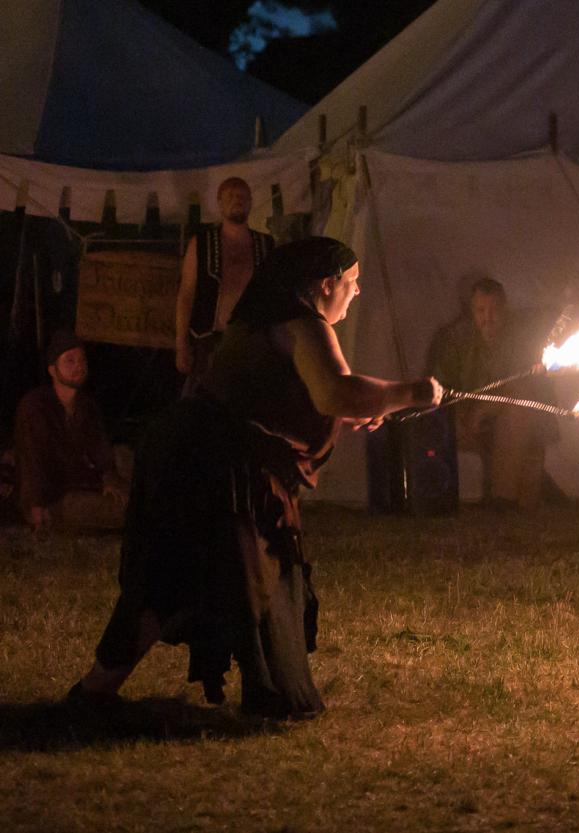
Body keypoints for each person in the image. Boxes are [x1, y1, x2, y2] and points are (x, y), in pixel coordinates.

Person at [69, 237, 443, 718]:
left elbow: (297, 394)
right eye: (351, 282)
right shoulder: (301, 323)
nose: (357, 291)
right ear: (325, 284)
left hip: (197, 458)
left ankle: (95, 691)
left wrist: (366, 404)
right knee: (224, 580)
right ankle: (257, 694)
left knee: (175, 578)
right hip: (220, 470)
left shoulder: (268, 320)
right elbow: (336, 392)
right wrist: (412, 391)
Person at [428, 278, 557, 510]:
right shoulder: (456, 339)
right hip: (466, 416)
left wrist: (486, 409)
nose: (488, 318)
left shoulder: (521, 338)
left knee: (518, 411)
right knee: (442, 421)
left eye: (495, 310)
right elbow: (439, 388)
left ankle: (502, 501)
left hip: (510, 419)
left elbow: (528, 386)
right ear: (471, 311)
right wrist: (462, 413)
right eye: (481, 311)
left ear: (505, 309)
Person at [13, 330, 129, 533]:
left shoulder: (87, 406)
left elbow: (101, 452)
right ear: (52, 369)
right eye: (70, 361)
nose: (78, 366)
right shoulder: (35, 407)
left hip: (83, 484)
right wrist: (35, 506)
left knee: (126, 459)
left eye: (82, 360)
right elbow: (32, 459)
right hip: (56, 496)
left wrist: (109, 477)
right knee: (125, 509)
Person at [175, 177, 274, 395]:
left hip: (250, 342)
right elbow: (186, 294)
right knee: (202, 404)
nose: (236, 201)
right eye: (230, 196)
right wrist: (181, 342)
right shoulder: (201, 243)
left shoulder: (266, 245)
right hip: (208, 340)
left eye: (241, 196)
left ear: (250, 202)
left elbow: (274, 295)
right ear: (220, 203)